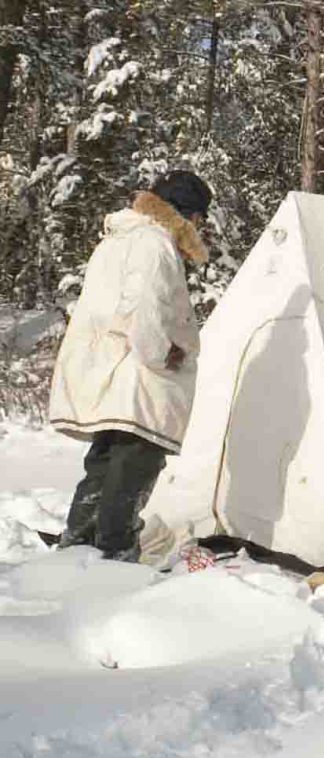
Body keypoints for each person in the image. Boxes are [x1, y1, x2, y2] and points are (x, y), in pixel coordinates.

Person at [49, 170, 212, 561]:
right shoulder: (155, 245)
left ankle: (78, 543)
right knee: (134, 464)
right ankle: (115, 551)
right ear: (185, 214)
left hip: (110, 369)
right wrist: (163, 355)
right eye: (198, 218)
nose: (199, 227)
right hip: (139, 376)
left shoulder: (119, 241)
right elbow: (145, 308)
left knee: (105, 461)